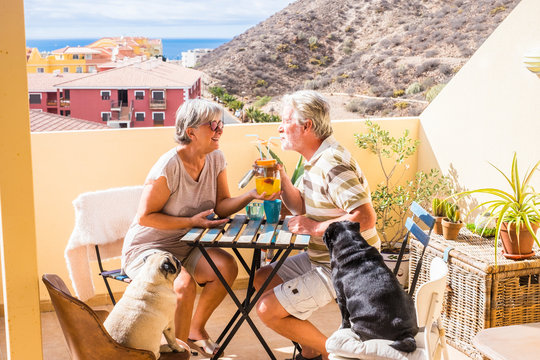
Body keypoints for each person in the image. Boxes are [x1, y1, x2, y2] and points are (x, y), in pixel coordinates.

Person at [122, 98, 273, 357]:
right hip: (149, 248)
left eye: (220, 124)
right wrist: (192, 221)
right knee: (183, 284)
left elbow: (222, 204)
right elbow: (145, 217)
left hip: (189, 243)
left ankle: (195, 330)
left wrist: (251, 195)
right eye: (212, 125)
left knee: (226, 267)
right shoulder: (168, 167)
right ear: (191, 132)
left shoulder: (215, 157)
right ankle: (177, 353)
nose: (219, 130)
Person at [254, 90, 381, 360]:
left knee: (267, 309)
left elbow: (365, 216)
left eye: (285, 120)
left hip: (347, 264)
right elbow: (301, 206)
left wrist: (313, 228)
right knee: (261, 278)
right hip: (322, 256)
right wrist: (284, 179)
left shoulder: (332, 163)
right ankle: (312, 348)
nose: (279, 127)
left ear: (306, 126)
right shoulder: (315, 160)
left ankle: (331, 353)